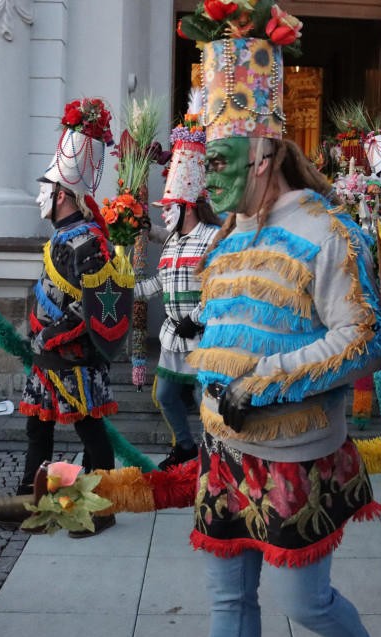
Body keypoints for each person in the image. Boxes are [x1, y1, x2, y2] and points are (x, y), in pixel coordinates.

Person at [183, 26, 381, 637]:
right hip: (222, 453)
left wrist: (260, 384)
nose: (205, 174)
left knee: (305, 603)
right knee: (227, 598)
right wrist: (199, 348)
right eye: (204, 157)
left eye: (219, 159)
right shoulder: (224, 238)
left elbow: (363, 341)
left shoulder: (335, 236)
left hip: (296, 458)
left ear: (265, 154)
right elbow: (228, 324)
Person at [15, 97, 125, 538]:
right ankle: (33, 501)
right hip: (47, 356)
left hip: (73, 357)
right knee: (36, 429)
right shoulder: (61, 235)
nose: (40, 193)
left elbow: (93, 303)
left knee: (91, 432)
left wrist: (54, 336)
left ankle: (102, 507)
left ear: (61, 194)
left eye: (46, 187)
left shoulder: (85, 239)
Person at [138, 90, 220, 470]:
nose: (165, 212)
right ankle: (185, 447)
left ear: (186, 205)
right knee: (166, 395)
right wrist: (129, 294)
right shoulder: (172, 240)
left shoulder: (214, 237)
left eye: (169, 207)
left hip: (204, 338)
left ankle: (215, 456)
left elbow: (223, 287)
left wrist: (198, 316)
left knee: (210, 404)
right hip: (174, 336)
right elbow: (162, 281)